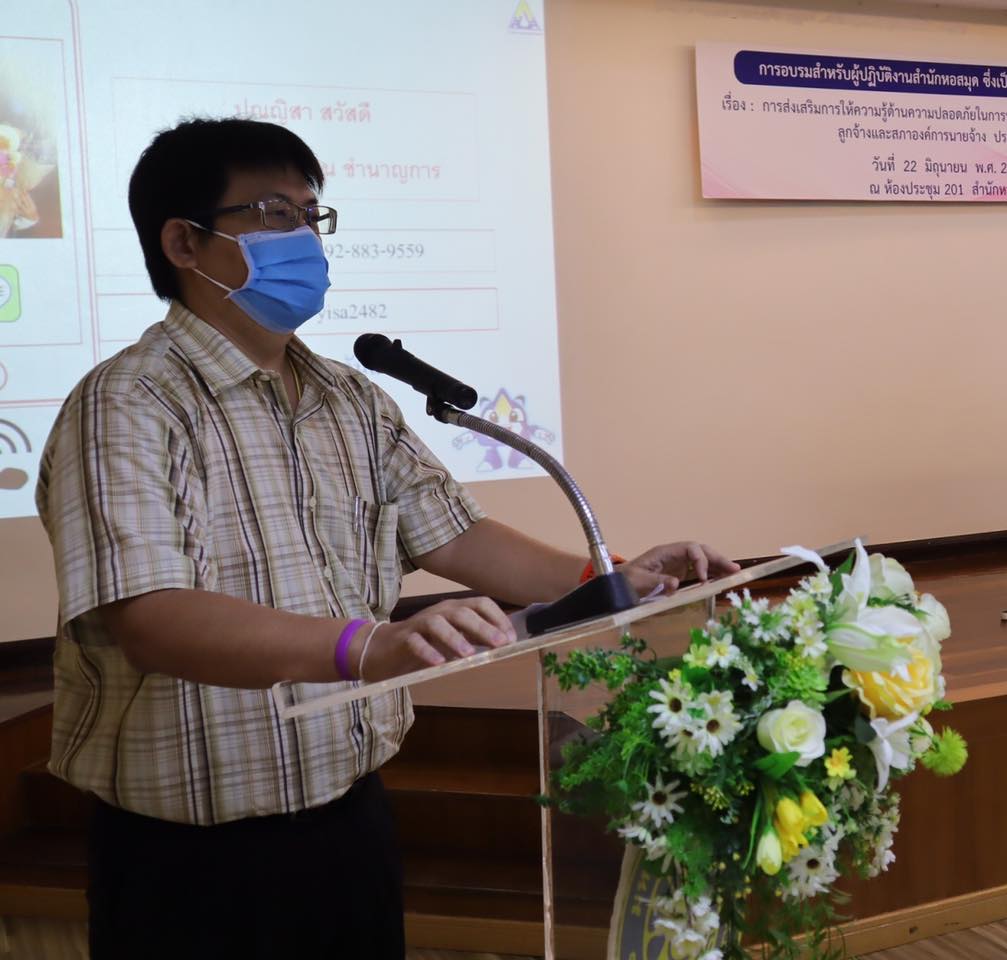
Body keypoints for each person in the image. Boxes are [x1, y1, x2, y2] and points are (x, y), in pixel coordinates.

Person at [34, 118, 740, 960]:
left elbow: (456, 535)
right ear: (185, 242)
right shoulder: (127, 404)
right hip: (191, 858)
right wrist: (366, 647)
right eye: (273, 213)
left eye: (311, 214)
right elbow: (152, 619)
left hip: (350, 821)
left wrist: (612, 578)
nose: (304, 237)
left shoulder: (350, 397)